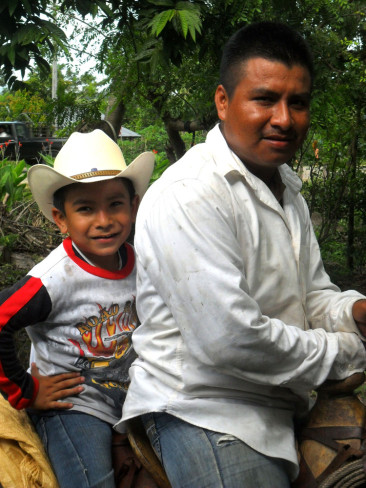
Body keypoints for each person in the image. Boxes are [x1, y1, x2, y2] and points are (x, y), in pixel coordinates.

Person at [118, 21, 366, 488]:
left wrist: (351, 311)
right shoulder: (190, 194)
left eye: (298, 102)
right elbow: (230, 339)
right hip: (204, 410)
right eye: (265, 99)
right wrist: (346, 349)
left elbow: (311, 295)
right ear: (222, 101)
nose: (284, 118)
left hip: (278, 402)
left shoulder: (287, 190)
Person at [0, 129, 155, 488]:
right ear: (61, 219)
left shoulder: (142, 263)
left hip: (132, 396)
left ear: (133, 206)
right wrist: (25, 391)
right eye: (85, 208)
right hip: (74, 405)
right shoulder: (54, 279)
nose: (104, 220)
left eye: (115, 204)